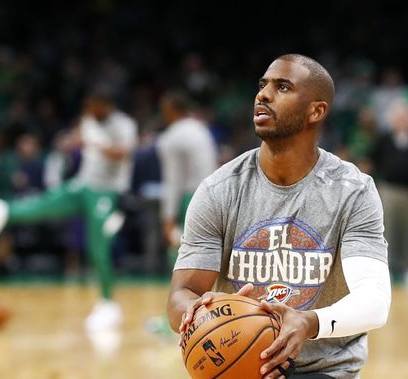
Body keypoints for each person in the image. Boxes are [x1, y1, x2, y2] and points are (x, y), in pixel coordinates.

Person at [167, 54, 391, 379]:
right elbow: (181, 294)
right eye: (262, 86)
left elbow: (374, 302)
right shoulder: (219, 189)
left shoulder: (352, 190)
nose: (263, 95)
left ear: (316, 111)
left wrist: (309, 322)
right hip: (243, 367)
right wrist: (198, 311)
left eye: (282, 87)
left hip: (325, 369)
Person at [0, 90, 138, 331]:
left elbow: (124, 152)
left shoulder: (124, 124)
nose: (90, 111)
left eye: (94, 106)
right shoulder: (89, 120)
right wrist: (70, 141)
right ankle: (2, 211)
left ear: (106, 104)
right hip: (84, 184)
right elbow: (77, 137)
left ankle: (108, 304)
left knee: (98, 248)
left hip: (108, 191)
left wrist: (96, 143)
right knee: (47, 201)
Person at [373, 99, 408, 283]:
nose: (403, 120)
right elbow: (374, 160)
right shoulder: (384, 138)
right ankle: (386, 268)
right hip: (389, 190)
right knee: (387, 230)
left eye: (406, 117)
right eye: (399, 117)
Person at [157, 89, 218, 247]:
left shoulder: (171, 137)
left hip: (189, 198)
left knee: (182, 252)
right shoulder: (202, 129)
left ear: (172, 110)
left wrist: (168, 217)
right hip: (214, 195)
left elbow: (173, 180)